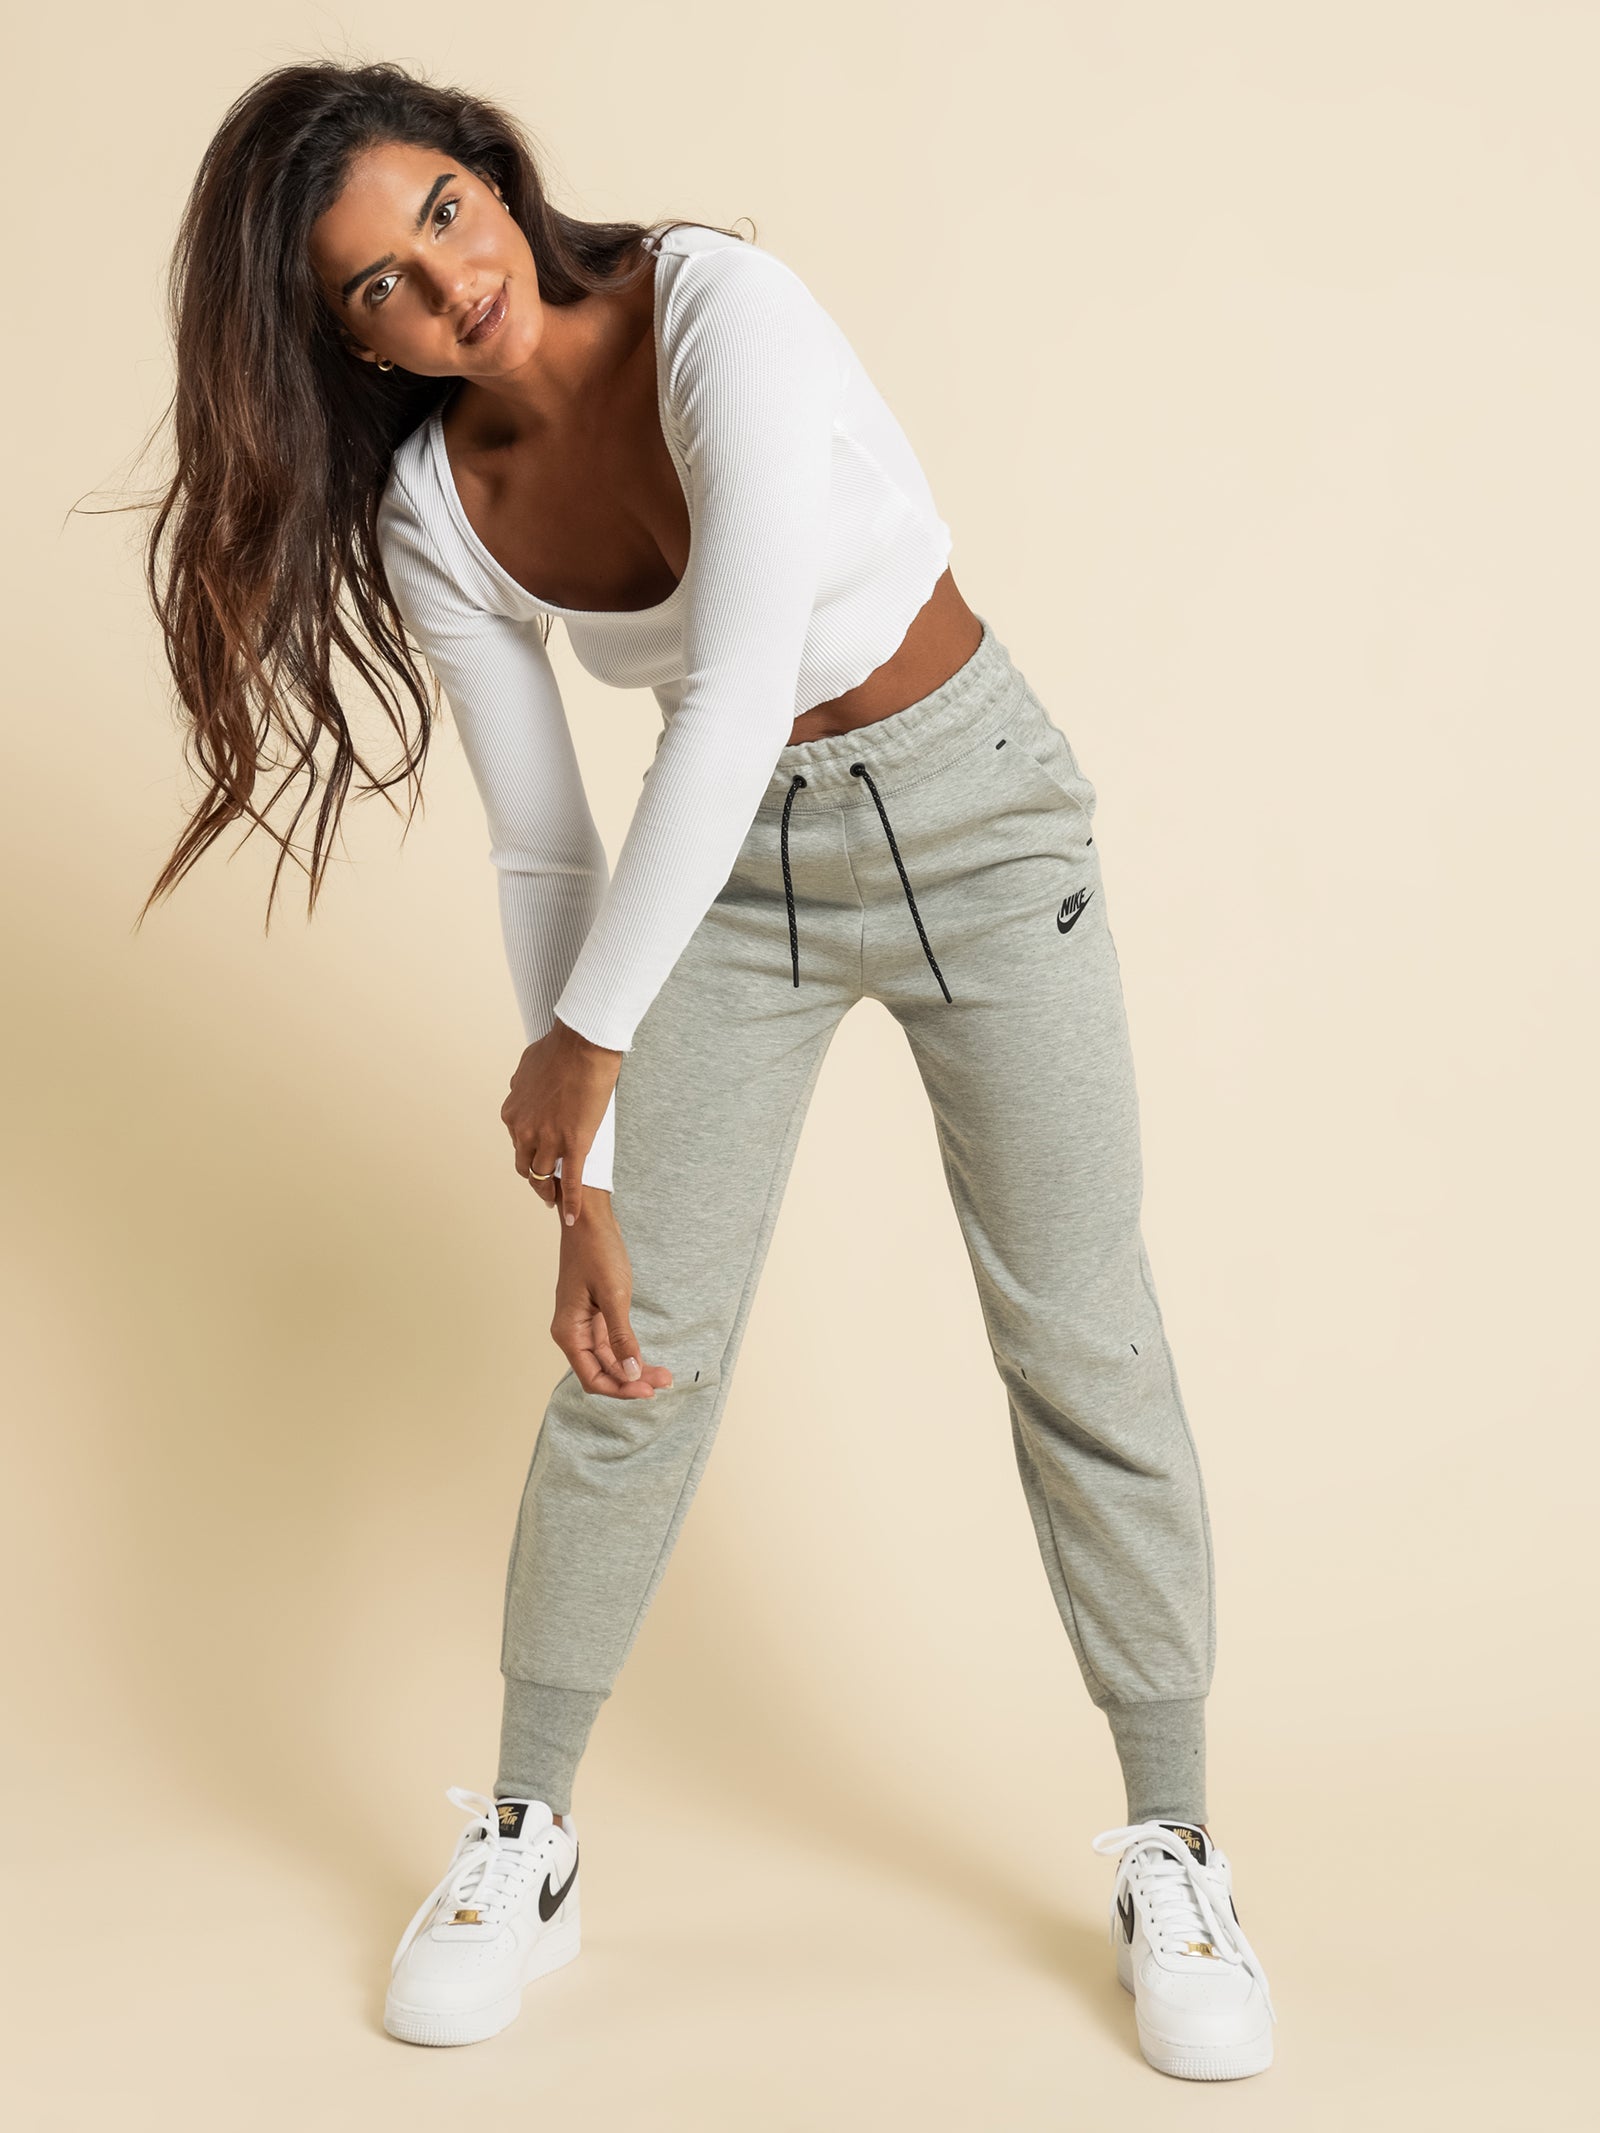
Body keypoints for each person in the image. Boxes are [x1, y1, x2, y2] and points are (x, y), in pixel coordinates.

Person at [144, 58, 1277, 2080]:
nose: (443, 283)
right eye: (376, 288)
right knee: (628, 1355)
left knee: (1079, 1330)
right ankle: (525, 1833)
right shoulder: (434, 506)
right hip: (731, 881)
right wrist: (577, 1190)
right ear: (352, 346)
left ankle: (1176, 1841)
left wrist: (583, 1044)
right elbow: (538, 847)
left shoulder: (720, 308)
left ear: (495, 179)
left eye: (440, 214)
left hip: (979, 813)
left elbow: (741, 671)